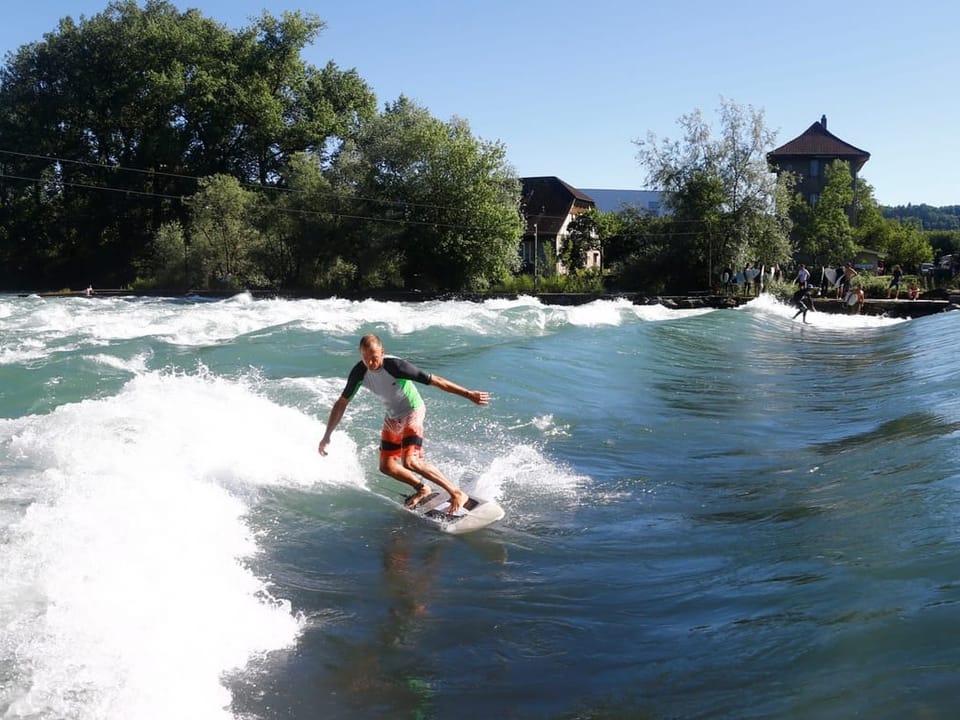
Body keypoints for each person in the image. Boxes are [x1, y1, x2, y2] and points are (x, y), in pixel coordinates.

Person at [317, 333, 489, 513]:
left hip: (412, 410)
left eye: (374, 358)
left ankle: (457, 493)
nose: (370, 363)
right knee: (387, 466)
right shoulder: (359, 372)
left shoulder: (396, 366)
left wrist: (469, 394)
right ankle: (422, 488)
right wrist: (327, 436)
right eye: (365, 358)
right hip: (393, 416)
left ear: (383, 352)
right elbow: (342, 403)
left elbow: (435, 380)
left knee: (410, 461)